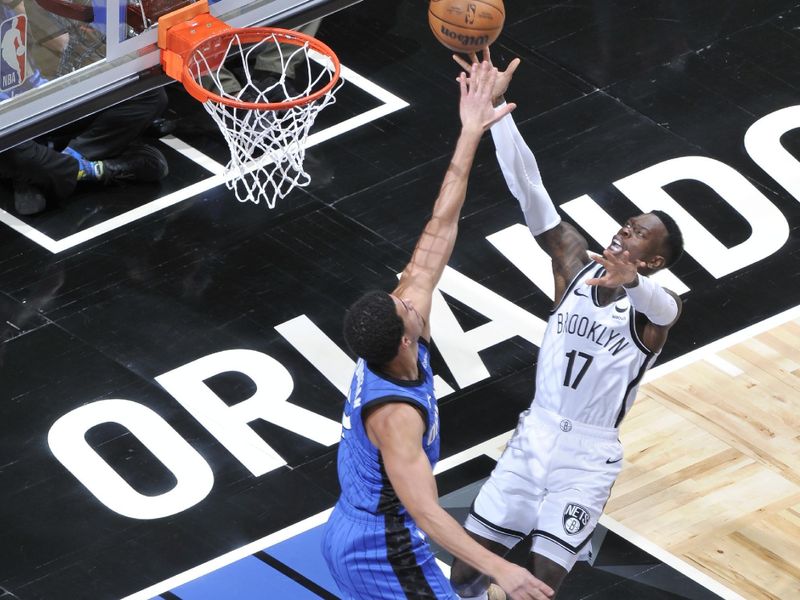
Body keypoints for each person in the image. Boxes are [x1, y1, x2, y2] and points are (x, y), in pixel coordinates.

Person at [448, 49, 685, 599]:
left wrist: (631, 283)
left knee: (539, 585)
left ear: (652, 261)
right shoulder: (574, 268)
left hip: (588, 458)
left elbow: (667, 311)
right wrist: (498, 110)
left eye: (637, 235)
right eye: (625, 226)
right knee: (465, 576)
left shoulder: (653, 308)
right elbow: (532, 192)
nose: (623, 234)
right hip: (535, 436)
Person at [321, 60, 554, 600]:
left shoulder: (394, 335)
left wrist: (472, 127)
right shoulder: (396, 415)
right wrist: (505, 569)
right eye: (409, 311)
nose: (415, 300)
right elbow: (425, 511)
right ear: (406, 339)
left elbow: (441, 225)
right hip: (383, 548)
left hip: (360, 527)